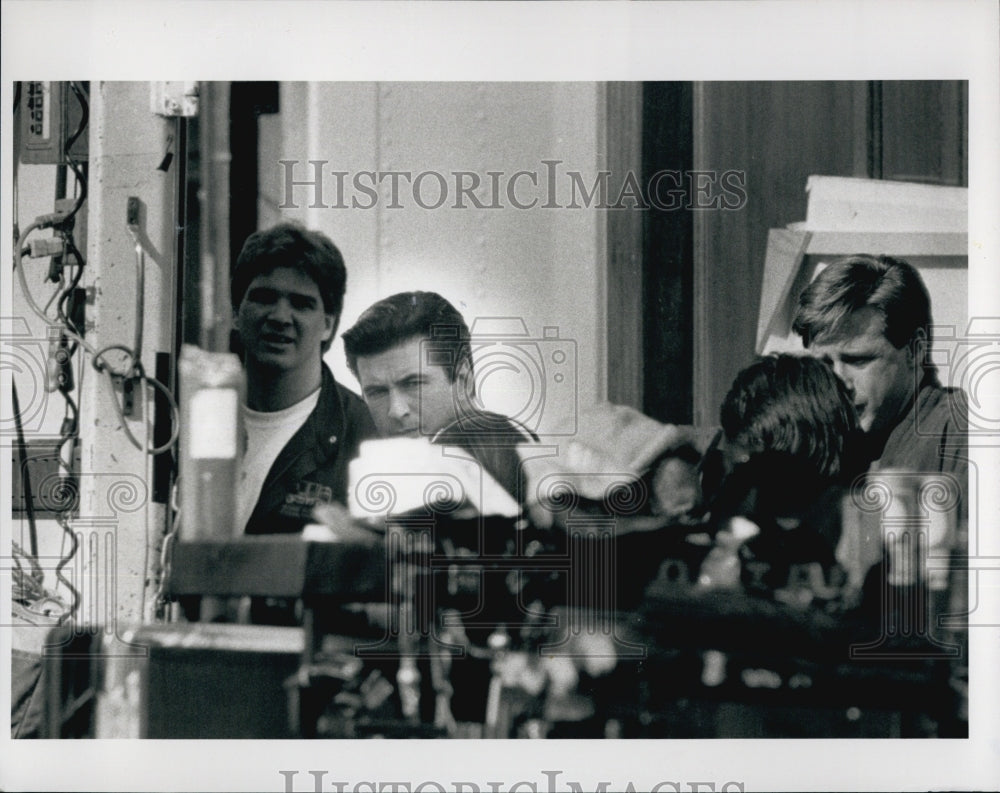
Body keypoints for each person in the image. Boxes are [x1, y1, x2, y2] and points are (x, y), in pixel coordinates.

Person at [231, 222, 377, 535]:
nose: (280, 317)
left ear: (328, 324)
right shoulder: (199, 415)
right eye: (264, 297)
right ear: (236, 311)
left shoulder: (365, 438)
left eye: (301, 303)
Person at [342, 290, 537, 502]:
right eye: (377, 392)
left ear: (463, 381)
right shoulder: (380, 473)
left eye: (413, 383)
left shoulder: (507, 460)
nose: (396, 410)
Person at [792, 254, 967, 476]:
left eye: (858, 360)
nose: (837, 381)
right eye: (824, 364)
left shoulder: (962, 435)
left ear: (915, 349)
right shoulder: (820, 440)